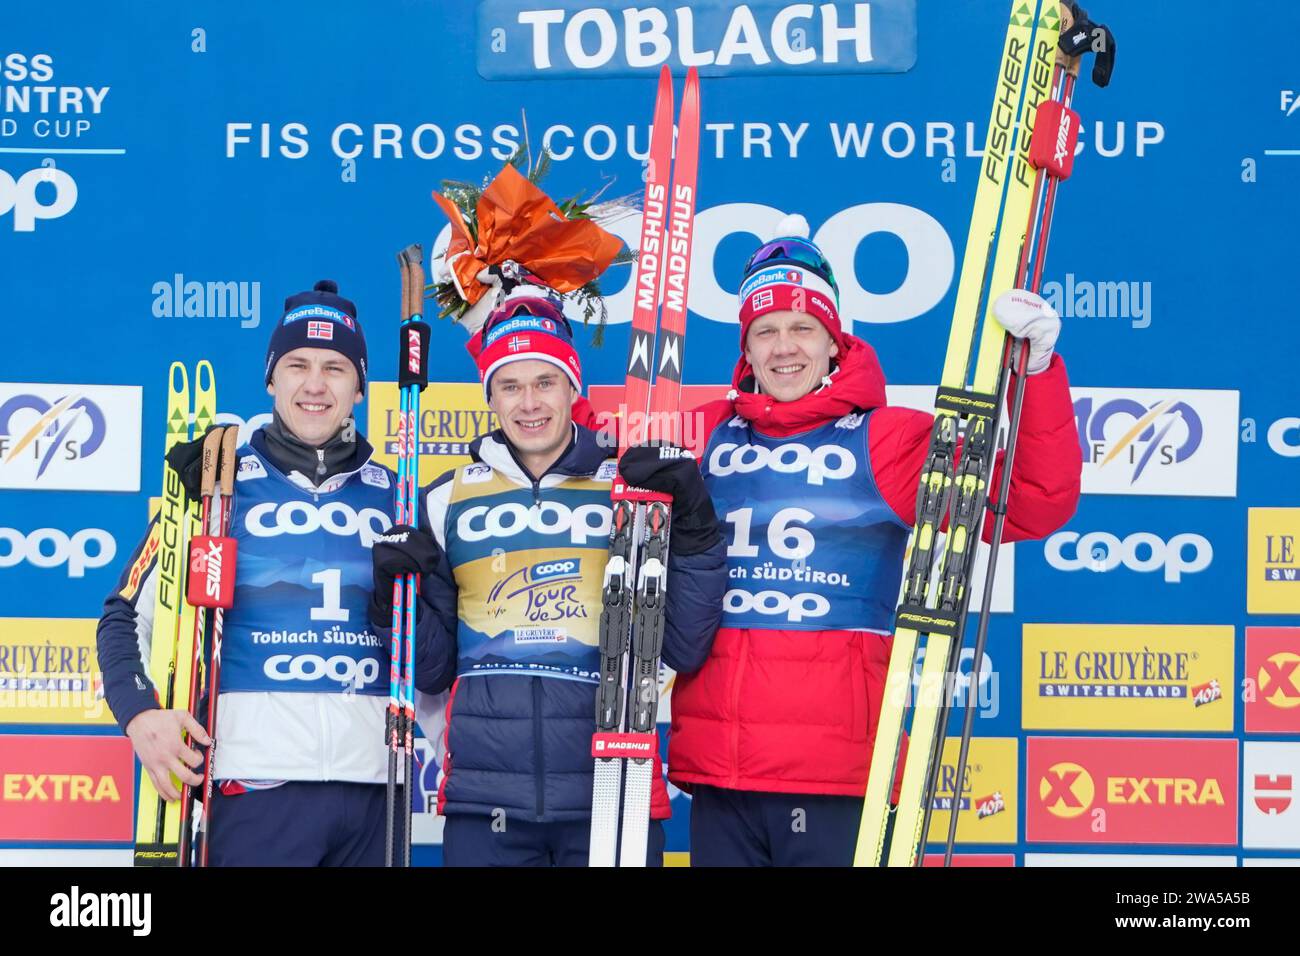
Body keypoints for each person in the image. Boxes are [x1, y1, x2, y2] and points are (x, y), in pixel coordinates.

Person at [665, 218, 1083, 866]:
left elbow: (1030, 500)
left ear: (835, 343)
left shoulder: (885, 441)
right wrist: (493, 326)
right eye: (765, 331)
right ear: (744, 351)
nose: (784, 349)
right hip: (719, 775)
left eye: (803, 329)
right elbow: (580, 461)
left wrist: (1037, 373)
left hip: (838, 776)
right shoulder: (701, 437)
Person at [372, 291, 727, 866]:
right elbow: (432, 668)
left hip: (614, 791)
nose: (529, 402)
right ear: (489, 396)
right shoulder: (446, 499)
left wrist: (693, 527)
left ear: (572, 388)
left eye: (545, 382)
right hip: (486, 803)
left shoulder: (630, 490)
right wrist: (392, 599)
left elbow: (684, 645)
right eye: (510, 386)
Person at [97, 280, 407, 866]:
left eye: (336, 368)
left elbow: (433, 647)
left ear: (360, 387)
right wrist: (139, 714)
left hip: (374, 791)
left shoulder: (399, 496)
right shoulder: (213, 482)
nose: (315, 385)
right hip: (250, 786)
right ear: (271, 379)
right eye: (297, 365)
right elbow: (122, 615)